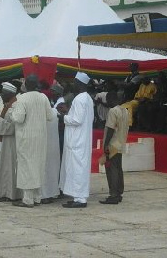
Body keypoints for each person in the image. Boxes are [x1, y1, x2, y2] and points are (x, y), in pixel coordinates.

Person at [9, 75, 54, 208]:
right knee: (38, 165)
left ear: (26, 85)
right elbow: (50, 116)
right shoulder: (43, 97)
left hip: (26, 138)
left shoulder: (22, 98)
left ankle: (28, 200)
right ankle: (37, 197)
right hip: (40, 138)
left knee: (26, 167)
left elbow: (18, 119)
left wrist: (11, 111)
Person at [59, 72, 94, 208]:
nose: (72, 85)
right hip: (81, 138)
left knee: (78, 168)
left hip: (77, 140)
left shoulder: (80, 99)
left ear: (79, 83)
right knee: (77, 168)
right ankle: (77, 197)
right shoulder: (87, 98)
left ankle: (80, 199)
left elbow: (77, 120)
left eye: (74, 82)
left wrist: (64, 117)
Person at [0, 82, 20, 201]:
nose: (1, 94)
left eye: (3, 92)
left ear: (10, 94)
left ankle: (10, 194)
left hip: (11, 142)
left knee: (9, 167)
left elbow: (11, 127)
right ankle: (3, 192)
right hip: (5, 140)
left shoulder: (15, 105)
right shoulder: (7, 105)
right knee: (4, 167)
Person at [99, 91, 129, 204]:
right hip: (121, 143)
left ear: (110, 99)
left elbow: (110, 129)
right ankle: (119, 192)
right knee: (118, 168)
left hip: (113, 144)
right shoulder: (125, 110)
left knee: (112, 169)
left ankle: (113, 195)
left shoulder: (112, 111)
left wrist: (106, 145)